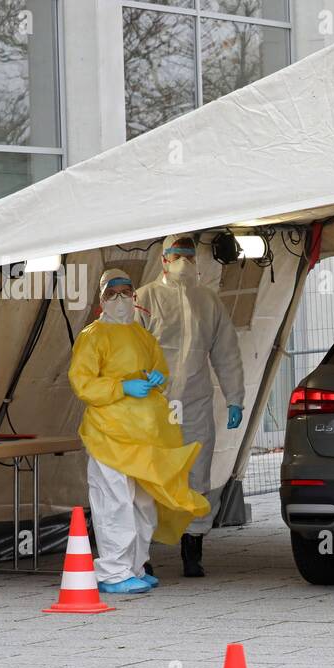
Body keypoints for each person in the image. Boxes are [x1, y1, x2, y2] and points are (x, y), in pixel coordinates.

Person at [69, 269, 209, 593]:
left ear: (134, 295)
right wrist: (122, 386)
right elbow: (83, 383)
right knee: (114, 502)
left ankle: (134, 565)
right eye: (111, 293)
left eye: (125, 291)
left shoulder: (142, 335)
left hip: (145, 435)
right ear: (101, 300)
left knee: (143, 503)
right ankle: (113, 573)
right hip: (110, 436)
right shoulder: (93, 336)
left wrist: (159, 377)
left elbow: (159, 367)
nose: (119, 299)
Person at [137, 235, 245, 577]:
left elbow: (226, 353)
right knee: (149, 475)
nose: (183, 260)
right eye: (176, 255)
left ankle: (193, 546)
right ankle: (141, 551)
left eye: (188, 254)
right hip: (153, 405)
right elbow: (130, 351)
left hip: (195, 404)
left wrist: (235, 398)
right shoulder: (145, 298)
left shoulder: (207, 301)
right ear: (163, 260)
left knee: (197, 472)